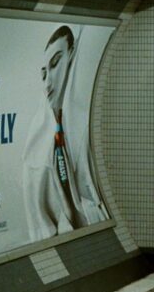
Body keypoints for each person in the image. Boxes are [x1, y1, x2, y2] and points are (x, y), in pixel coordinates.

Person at [22, 25, 108, 241]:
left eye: (55, 63)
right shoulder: (43, 136)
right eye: (44, 74)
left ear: (71, 55)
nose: (48, 82)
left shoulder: (79, 117)